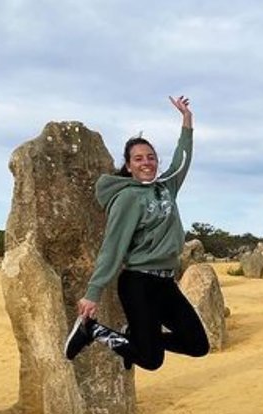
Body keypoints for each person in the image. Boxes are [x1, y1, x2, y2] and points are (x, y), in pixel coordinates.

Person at [64, 95, 210, 370]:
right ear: (129, 166)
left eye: (151, 158)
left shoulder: (166, 187)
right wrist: (93, 292)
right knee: (152, 360)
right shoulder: (128, 199)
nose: (147, 163)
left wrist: (187, 121)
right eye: (139, 159)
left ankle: (137, 339)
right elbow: (113, 246)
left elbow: (182, 159)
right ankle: (91, 331)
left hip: (166, 283)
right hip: (138, 284)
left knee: (197, 344)